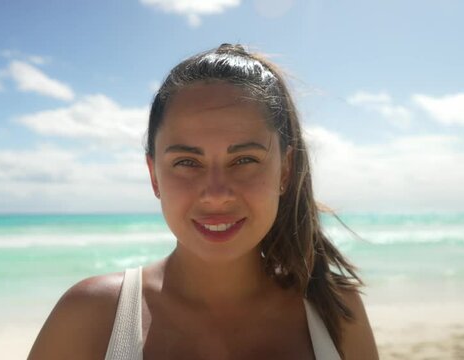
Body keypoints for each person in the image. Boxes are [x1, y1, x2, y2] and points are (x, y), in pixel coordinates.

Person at [28, 43, 378, 360]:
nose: (215, 193)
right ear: (154, 176)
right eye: (187, 162)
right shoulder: (92, 316)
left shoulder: (334, 312)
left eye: (244, 160)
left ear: (285, 171)